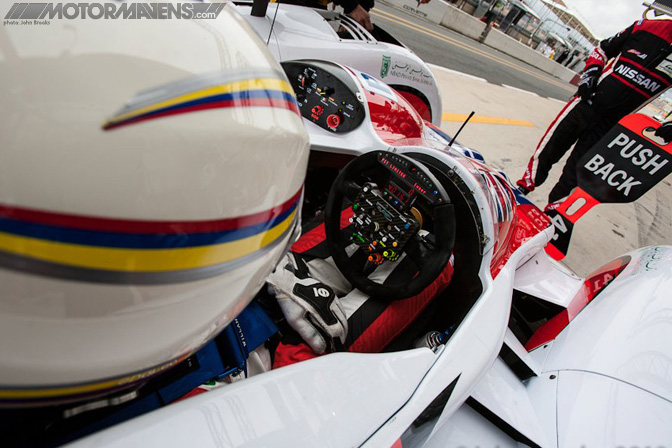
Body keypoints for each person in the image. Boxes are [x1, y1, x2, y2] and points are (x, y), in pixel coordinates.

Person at [517, 18, 672, 210]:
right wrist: (590, 74)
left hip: (613, 124)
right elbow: (602, 49)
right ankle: (522, 189)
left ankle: (555, 213)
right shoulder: (647, 26)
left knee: (577, 172)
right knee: (550, 148)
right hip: (587, 102)